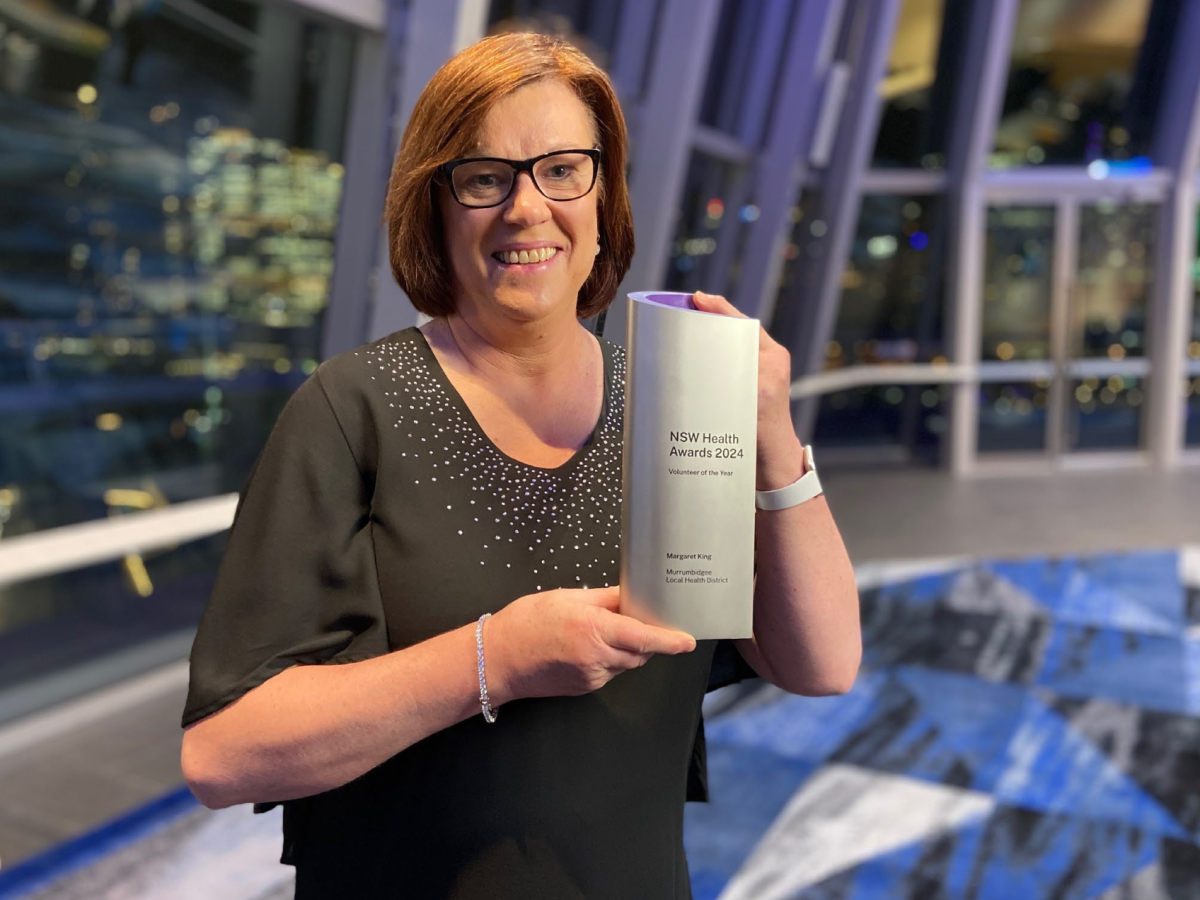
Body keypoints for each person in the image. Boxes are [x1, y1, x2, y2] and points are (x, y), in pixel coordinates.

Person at [180, 32, 860, 900]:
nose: (527, 208)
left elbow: (824, 664)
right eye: (485, 176)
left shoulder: (674, 406)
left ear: (604, 192)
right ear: (435, 203)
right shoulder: (354, 407)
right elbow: (222, 753)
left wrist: (770, 433)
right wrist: (497, 657)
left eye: (563, 169)